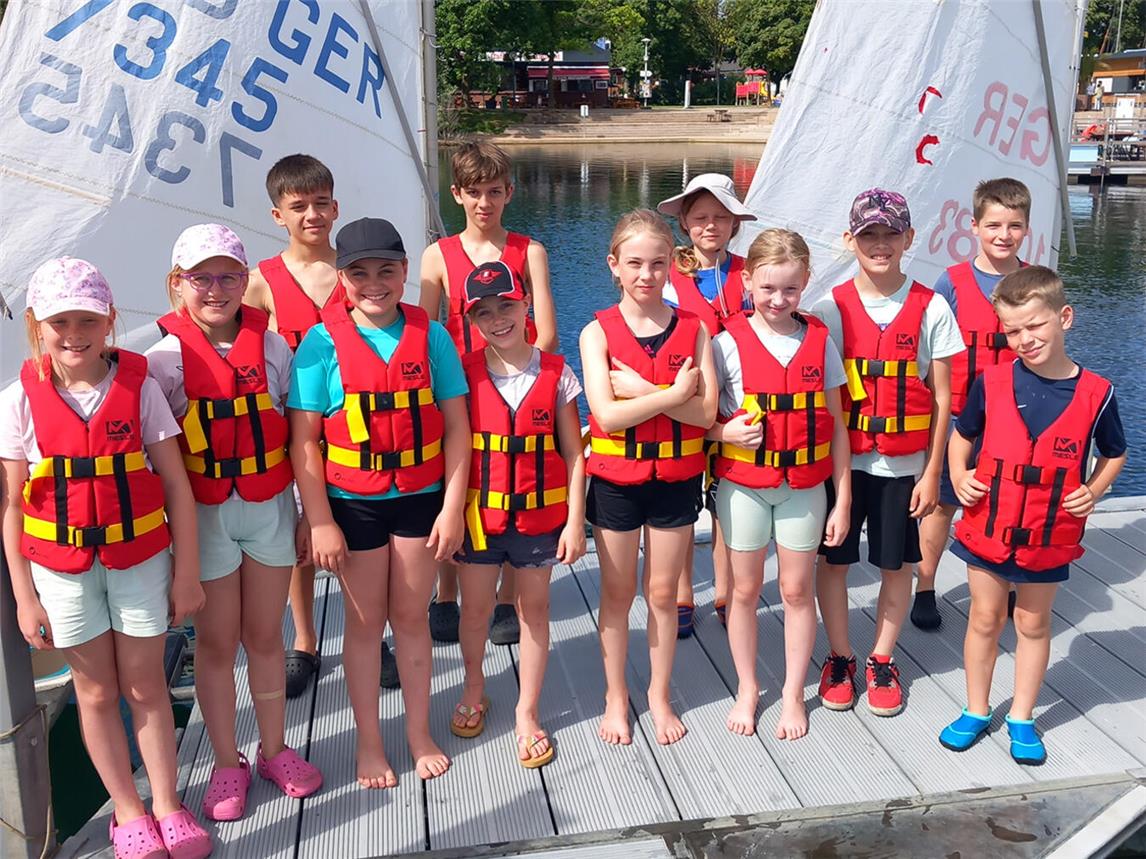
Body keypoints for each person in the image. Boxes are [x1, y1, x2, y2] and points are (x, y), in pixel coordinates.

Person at [0, 258, 212, 859]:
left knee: (145, 685)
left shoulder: (139, 390)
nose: (74, 334)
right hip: (62, 574)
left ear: (110, 321)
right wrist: (24, 595)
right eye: (60, 321)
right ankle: (128, 810)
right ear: (38, 325)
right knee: (94, 693)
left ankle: (168, 803)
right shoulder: (18, 402)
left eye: (87, 320)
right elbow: (13, 506)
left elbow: (176, 485)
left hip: (141, 560)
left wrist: (188, 573)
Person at [146, 224, 322, 821]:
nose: (216, 289)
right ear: (178, 285)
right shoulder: (161, 362)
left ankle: (275, 749)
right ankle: (227, 761)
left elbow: (299, 438)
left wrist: (305, 516)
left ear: (246, 282)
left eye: (228, 276)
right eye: (202, 278)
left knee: (266, 637)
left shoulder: (273, 348)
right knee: (217, 645)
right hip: (206, 517)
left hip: (269, 508)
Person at [288, 218, 470, 787]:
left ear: (404, 273)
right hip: (353, 503)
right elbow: (305, 441)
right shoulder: (321, 344)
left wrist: (453, 506)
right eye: (359, 272)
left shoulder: (431, 335)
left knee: (412, 619)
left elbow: (459, 430)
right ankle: (370, 743)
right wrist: (319, 521)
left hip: (420, 499)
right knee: (365, 627)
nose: (374, 283)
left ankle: (417, 732)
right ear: (341, 279)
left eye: (386, 270)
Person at [939, 266, 1125, 765]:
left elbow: (1114, 453)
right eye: (1012, 331)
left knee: (1033, 623)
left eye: (1035, 326)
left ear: (1064, 317)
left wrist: (1095, 490)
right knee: (984, 617)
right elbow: (962, 436)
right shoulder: (991, 381)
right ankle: (977, 709)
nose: (1024, 339)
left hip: (1048, 534)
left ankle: (1021, 716)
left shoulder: (1097, 393)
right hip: (989, 526)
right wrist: (958, 474)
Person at [811, 189, 964, 717]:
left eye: (891, 233)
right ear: (851, 239)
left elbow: (944, 398)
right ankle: (839, 656)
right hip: (843, 464)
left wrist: (932, 472)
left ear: (909, 239)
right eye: (869, 234)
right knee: (833, 562)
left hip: (903, 466)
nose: (880, 244)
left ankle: (881, 658)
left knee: (896, 564)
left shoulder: (932, 306)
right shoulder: (829, 308)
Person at [241, 155, 385, 697]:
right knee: (300, 538)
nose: (312, 215)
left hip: (363, 427)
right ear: (278, 215)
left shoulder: (357, 272)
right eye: (298, 207)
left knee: (360, 530)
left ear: (336, 207)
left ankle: (373, 631)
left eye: (321, 204)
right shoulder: (261, 283)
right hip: (296, 427)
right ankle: (305, 640)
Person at [580, 209, 718, 746]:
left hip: (674, 480)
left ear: (671, 267)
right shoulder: (597, 332)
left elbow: (705, 417)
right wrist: (668, 396)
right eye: (634, 263)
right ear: (614, 266)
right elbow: (606, 417)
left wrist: (639, 391)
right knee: (617, 595)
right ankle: (617, 695)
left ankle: (659, 696)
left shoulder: (694, 329)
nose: (646, 275)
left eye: (657, 264)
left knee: (662, 593)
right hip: (616, 481)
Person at [708, 229, 851, 739]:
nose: (778, 299)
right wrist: (721, 431)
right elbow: (699, 419)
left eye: (790, 290)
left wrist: (844, 498)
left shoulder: (819, 341)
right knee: (743, 590)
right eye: (767, 288)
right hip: (744, 485)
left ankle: (793, 693)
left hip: (806, 487)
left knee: (796, 589)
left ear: (805, 284)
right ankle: (747, 687)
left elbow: (836, 425)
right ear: (747, 281)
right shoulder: (724, 344)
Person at [420, 140, 558, 648]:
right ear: (456, 193)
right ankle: (447, 592)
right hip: (461, 391)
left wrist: (516, 376)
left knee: (509, 480)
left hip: (516, 389)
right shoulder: (438, 255)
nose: (484, 203)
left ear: (509, 194)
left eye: (494, 192)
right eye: (474, 192)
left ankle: (504, 598)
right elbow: (427, 333)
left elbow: (546, 331)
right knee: (460, 484)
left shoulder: (530, 251)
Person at [451, 261, 587, 766]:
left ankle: (527, 711)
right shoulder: (462, 374)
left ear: (526, 303)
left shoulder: (557, 373)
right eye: (483, 312)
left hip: (540, 521)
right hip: (478, 522)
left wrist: (576, 522)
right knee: (476, 611)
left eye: (506, 305)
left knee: (534, 611)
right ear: (472, 320)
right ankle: (473, 686)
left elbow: (575, 453)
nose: (497, 318)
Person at [912, 178, 1030, 630]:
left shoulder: (1034, 279)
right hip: (961, 417)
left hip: (1014, 423)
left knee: (1006, 505)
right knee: (941, 505)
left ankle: (1007, 583)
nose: (1004, 235)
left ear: (1026, 229)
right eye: (994, 225)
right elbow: (933, 351)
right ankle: (925, 585)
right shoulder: (953, 281)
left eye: (1015, 226)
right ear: (975, 226)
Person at [656, 173, 757, 638]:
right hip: (685, 398)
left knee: (724, 502)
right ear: (685, 223)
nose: (710, 226)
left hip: (735, 403)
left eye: (720, 217)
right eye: (700, 218)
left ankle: (723, 588)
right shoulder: (669, 277)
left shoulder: (750, 274)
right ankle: (681, 592)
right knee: (679, 503)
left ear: (735, 224)